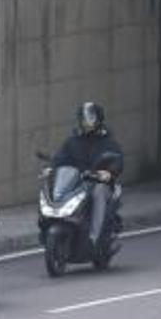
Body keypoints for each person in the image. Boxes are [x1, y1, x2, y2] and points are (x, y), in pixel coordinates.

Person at [53, 102, 125, 245]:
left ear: (99, 120)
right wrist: (52, 167)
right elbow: (61, 157)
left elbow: (117, 158)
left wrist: (109, 172)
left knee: (98, 192)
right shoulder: (72, 141)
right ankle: (65, 222)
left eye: (91, 119)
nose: (87, 124)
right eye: (85, 120)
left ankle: (94, 237)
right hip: (79, 180)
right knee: (61, 191)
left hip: (100, 182)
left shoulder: (107, 141)